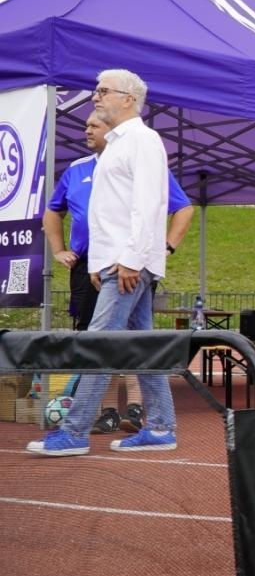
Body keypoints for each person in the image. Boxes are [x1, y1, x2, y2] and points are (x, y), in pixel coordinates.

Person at [27, 69, 180, 456]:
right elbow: (106, 212)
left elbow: (147, 204)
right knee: (143, 347)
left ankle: (75, 431)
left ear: (128, 99)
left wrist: (127, 261)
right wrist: (99, 262)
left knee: (97, 344)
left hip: (127, 264)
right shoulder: (117, 145)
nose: (95, 97)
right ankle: (161, 428)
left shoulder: (142, 141)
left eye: (103, 91)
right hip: (117, 262)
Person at [43, 111, 196, 433]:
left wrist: (162, 248)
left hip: (129, 262)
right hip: (92, 264)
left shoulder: (139, 157)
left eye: (94, 125)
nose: (87, 129)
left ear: (113, 130)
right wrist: (59, 250)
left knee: (107, 339)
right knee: (118, 336)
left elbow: (177, 207)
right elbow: (55, 211)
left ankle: (81, 429)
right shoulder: (78, 169)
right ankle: (129, 417)